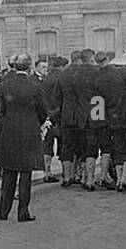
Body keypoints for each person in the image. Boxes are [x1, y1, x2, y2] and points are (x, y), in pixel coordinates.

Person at [0, 53, 46, 222]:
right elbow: (43, 111)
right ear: (29, 67)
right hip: (29, 131)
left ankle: (3, 211)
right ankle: (23, 212)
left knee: (9, 172)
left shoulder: (4, 85)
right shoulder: (34, 86)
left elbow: (0, 109)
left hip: (9, 131)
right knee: (25, 173)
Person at [54, 48, 96, 188]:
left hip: (68, 116)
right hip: (86, 115)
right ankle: (86, 179)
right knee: (87, 147)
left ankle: (67, 177)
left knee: (68, 146)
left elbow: (57, 98)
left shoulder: (63, 74)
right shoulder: (90, 73)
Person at [93, 50, 126, 190]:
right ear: (108, 58)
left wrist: (98, 122)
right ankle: (123, 180)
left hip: (107, 119)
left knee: (116, 149)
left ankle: (117, 179)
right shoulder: (121, 72)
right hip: (124, 116)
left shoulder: (97, 79)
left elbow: (96, 104)